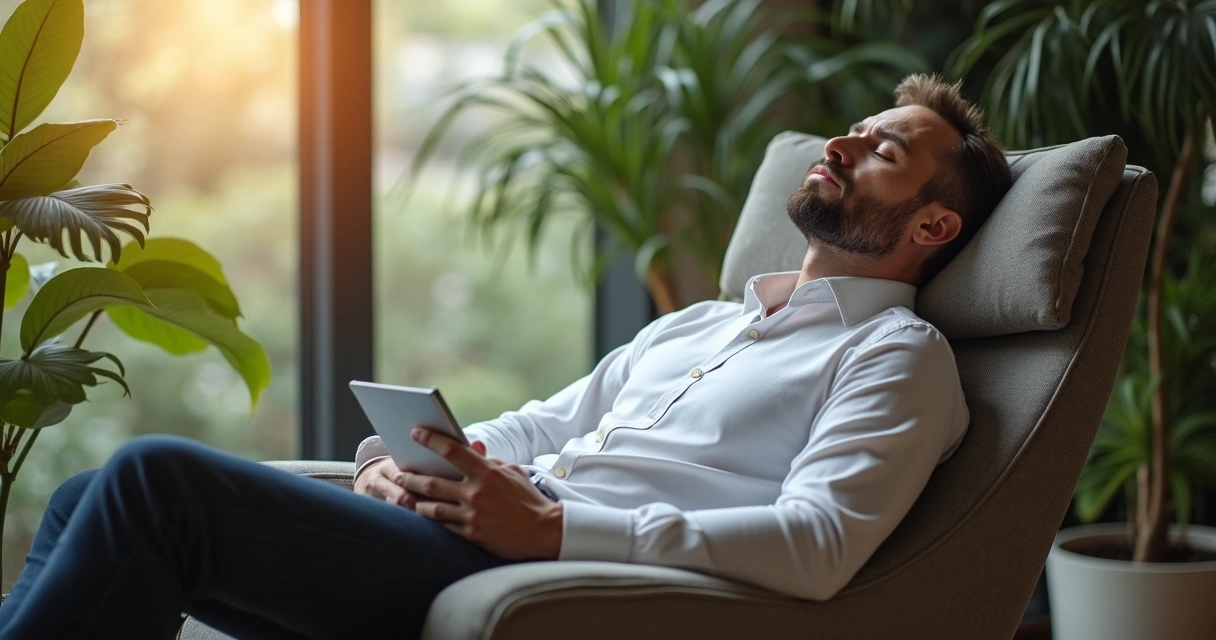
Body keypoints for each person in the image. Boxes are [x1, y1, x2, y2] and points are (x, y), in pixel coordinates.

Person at [0, 72, 1012, 639]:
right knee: (87, 487)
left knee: (152, 482)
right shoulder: (699, 324)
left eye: (882, 150)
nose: (839, 145)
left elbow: (817, 543)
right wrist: (400, 462)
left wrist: (557, 526)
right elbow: (540, 425)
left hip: (558, 581)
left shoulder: (896, 355)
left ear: (931, 226)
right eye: (855, 127)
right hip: (476, 529)